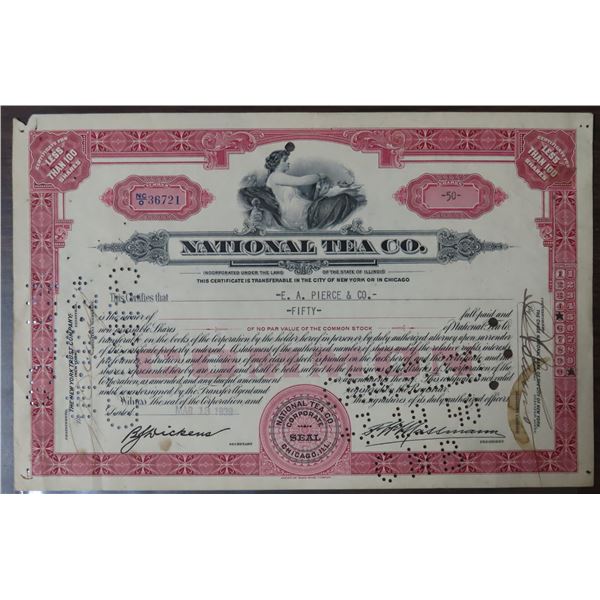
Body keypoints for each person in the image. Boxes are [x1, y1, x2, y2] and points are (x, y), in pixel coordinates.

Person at [238, 142, 366, 231]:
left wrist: (320, 194)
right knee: (344, 200)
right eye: (285, 161)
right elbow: (302, 180)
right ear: (276, 163)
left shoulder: (281, 179)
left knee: (344, 199)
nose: (288, 163)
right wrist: (320, 175)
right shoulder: (275, 176)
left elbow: (302, 198)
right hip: (297, 218)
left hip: (306, 212)